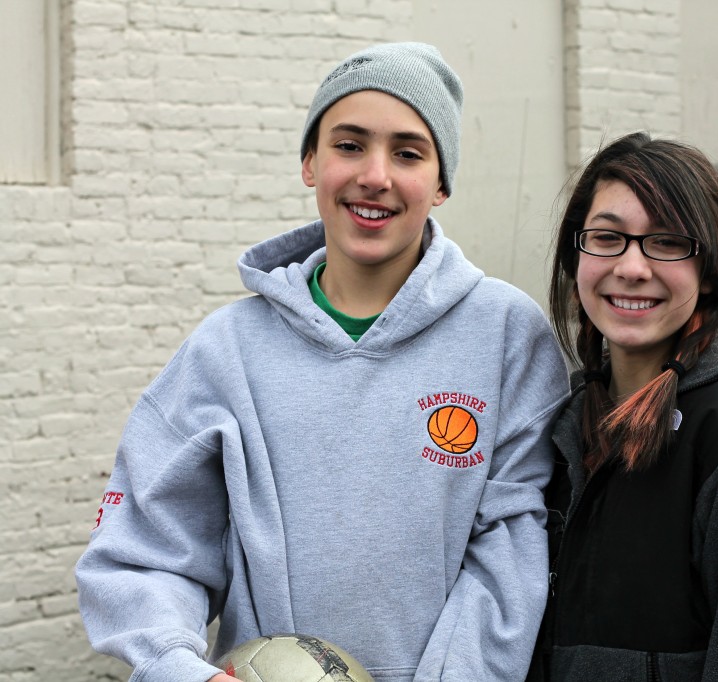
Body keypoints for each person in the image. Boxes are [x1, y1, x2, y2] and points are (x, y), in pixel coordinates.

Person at [75, 42, 569, 682]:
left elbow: (510, 553)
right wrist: (176, 668)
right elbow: (142, 551)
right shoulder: (225, 350)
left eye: (409, 153)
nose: (375, 175)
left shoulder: (506, 337)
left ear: (441, 183)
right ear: (310, 162)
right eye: (349, 144)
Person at [530, 132, 718, 681]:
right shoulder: (557, 424)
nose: (632, 267)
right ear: (576, 262)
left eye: (667, 242)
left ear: (711, 270)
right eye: (607, 238)